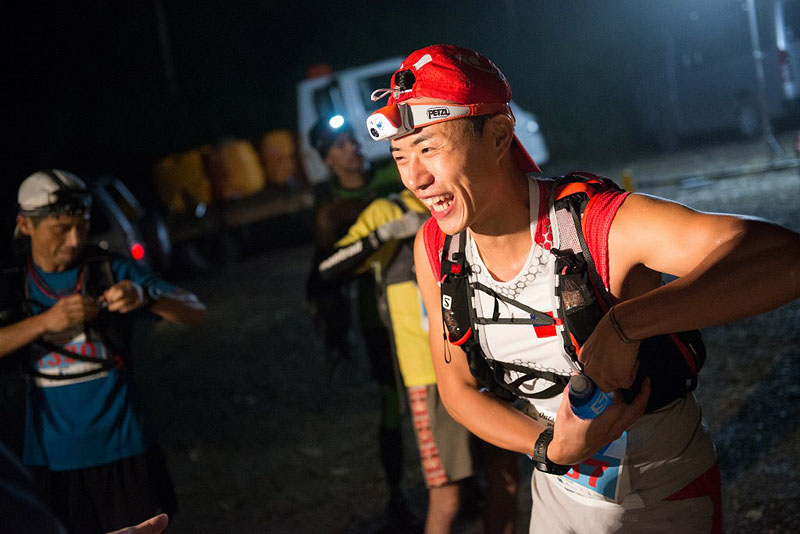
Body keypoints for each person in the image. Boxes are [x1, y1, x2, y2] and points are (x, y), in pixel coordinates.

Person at [364, 44, 800, 533]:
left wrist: (627, 324)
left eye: (428, 148)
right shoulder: (435, 248)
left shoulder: (594, 223)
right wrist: (548, 449)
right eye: (400, 155)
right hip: (556, 494)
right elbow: (457, 390)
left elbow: (783, 257)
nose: (415, 179)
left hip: (662, 493)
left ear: (500, 135)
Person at [0, 170, 207, 533]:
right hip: (50, 457)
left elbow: (195, 310)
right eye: (61, 229)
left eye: (82, 226)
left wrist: (144, 296)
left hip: (124, 447)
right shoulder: (12, 282)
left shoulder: (108, 269)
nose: (75, 239)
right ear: (25, 224)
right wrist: (44, 322)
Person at [318, 188, 520, 533]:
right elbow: (328, 268)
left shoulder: (465, 200)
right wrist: (382, 235)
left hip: (487, 363)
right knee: (447, 496)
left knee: (506, 478)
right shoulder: (388, 210)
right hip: (429, 374)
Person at [303, 118, 416, 524]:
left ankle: (465, 481)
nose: (352, 147)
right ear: (327, 159)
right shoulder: (328, 207)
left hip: (427, 298)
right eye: (340, 145)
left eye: (352, 139)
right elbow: (323, 273)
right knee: (391, 402)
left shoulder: (392, 171)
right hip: (378, 313)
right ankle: (397, 495)